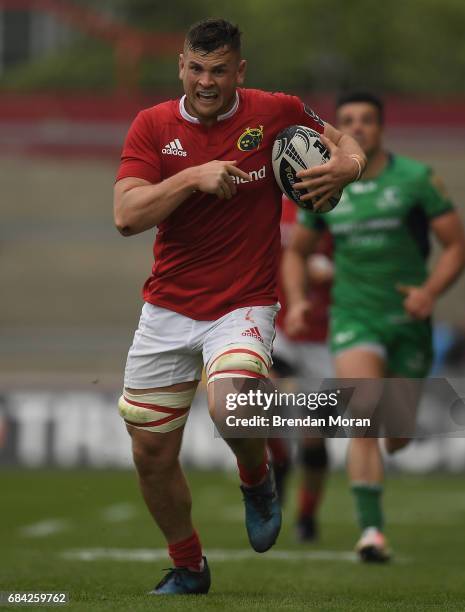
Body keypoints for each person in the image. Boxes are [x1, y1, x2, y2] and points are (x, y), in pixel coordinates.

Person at [113, 19, 366, 595]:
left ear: (239, 71)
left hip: (245, 302)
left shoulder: (275, 111)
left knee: (232, 406)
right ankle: (189, 566)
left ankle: (257, 478)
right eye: (196, 69)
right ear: (181, 65)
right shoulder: (151, 126)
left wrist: (348, 166)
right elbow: (127, 217)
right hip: (167, 308)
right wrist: (192, 178)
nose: (207, 82)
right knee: (151, 452)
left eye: (219, 70)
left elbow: (344, 142)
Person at [283, 91, 465, 562]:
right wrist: (299, 300)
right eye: (348, 120)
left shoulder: (416, 179)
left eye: (366, 120)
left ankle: (390, 452)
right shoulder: (322, 185)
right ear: (336, 129)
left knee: (396, 434)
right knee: (363, 413)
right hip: (353, 315)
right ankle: (371, 532)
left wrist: (429, 292)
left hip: (408, 318)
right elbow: (297, 252)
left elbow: (455, 247)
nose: (357, 127)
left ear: (381, 128)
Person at [269, 196, 334, 541]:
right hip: (281, 328)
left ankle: (307, 516)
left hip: (329, 337)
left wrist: (330, 269)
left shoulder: (342, 202)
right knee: (261, 399)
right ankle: (278, 464)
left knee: (314, 434)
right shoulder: (272, 202)